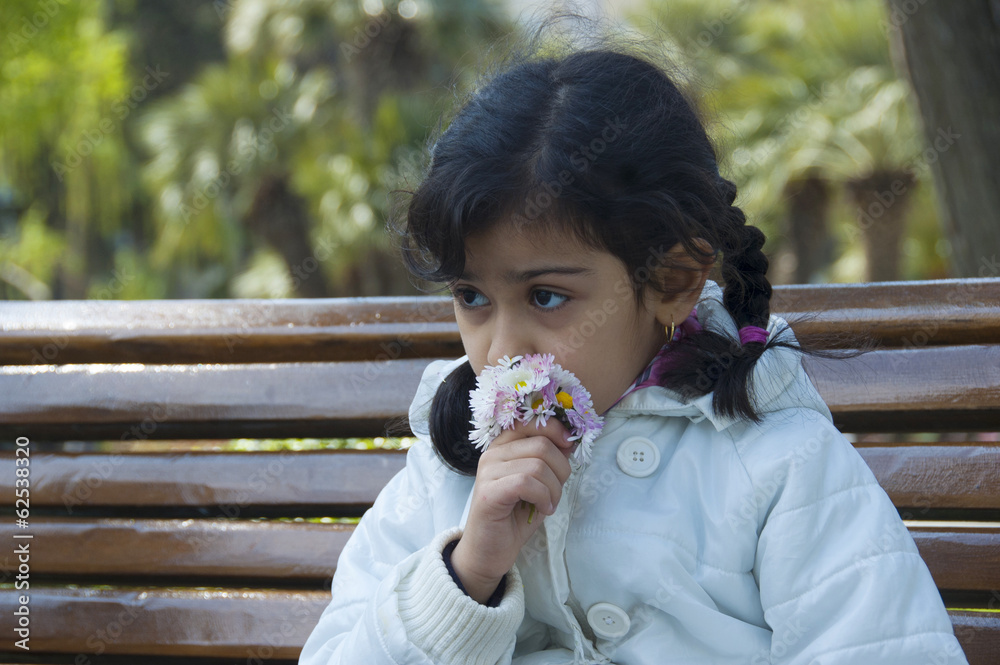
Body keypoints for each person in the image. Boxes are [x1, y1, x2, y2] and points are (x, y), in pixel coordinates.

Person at [298, 24, 968, 665]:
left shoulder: (778, 464)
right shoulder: (447, 472)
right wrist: (468, 569)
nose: (500, 349)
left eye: (547, 296)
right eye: (472, 296)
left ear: (673, 280)